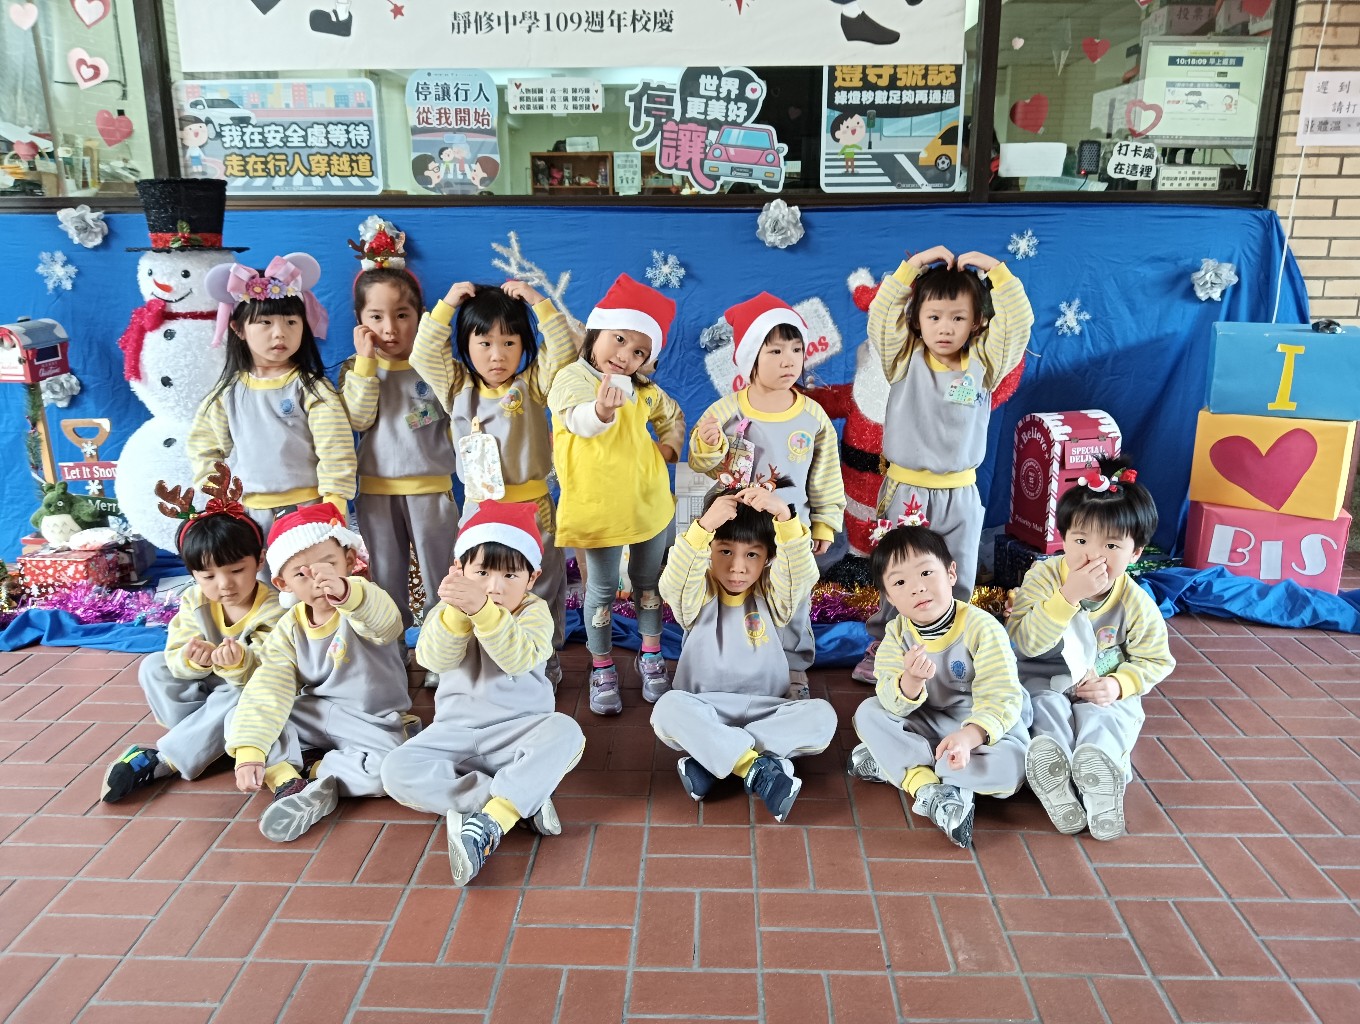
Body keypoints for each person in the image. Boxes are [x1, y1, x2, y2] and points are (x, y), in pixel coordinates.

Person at [852, 245, 1033, 684]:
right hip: (905, 490)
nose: (945, 327)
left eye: (958, 317)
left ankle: (955, 652)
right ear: (917, 320)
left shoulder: (985, 365)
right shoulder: (902, 358)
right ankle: (887, 645)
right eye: (934, 317)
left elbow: (1017, 325)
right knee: (900, 571)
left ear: (977, 323)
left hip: (960, 494)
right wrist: (912, 267)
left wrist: (997, 271)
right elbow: (881, 317)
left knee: (958, 574)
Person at [381, 501, 585, 887]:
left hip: (518, 732)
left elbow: (517, 658)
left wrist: (484, 612)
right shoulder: (448, 610)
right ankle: (516, 799)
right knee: (394, 770)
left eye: (510, 574)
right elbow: (432, 659)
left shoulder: (534, 612)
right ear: (459, 571)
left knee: (567, 732)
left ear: (532, 577)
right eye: (482, 573)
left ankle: (493, 822)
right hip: (454, 732)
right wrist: (458, 613)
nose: (494, 586)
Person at [410, 279, 578, 687]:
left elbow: (563, 351)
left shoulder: (532, 385)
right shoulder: (456, 387)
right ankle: (471, 656)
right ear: (466, 346)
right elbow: (423, 353)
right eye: (484, 343)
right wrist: (448, 303)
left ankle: (544, 658)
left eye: (509, 342)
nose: (497, 355)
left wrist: (538, 302)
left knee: (541, 583)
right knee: (476, 579)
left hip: (532, 506)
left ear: (524, 346)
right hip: (479, 509)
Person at [1008, 457, 1174, 841]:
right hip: (1045, 680)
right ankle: (1055, 778)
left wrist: (1118, 684)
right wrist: (1067, 597)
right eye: (1081, 541)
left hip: (1100, 687)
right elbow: (1024, 641)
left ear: (1136, 553)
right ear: (1064, 538)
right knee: (1042, 710)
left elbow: (1156, 659)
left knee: (1106, 719)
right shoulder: (1044, 577)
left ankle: (1100, 780)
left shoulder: (1134, 602)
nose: (1093, 555)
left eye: (1111, 545)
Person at [688, 293, 845, 699]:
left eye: (796, 350)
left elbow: (825, 475)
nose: (788, 360)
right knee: (737, 595)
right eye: (775, 351)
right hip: (738, 532)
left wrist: (825, 522)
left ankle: (793, 667)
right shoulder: (726, 411)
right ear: (750, 358)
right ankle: (734, 663)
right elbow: (703, 464)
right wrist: (709, 445)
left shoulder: (812, 416)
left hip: (790, 530)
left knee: (792, 597)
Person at [652, 486, 836, 822]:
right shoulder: (696, 593)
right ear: (708, 549)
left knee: (823, 716)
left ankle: (713, 759)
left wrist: (785, 518)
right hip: (705, 708)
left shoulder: (774, 594)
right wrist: (703, 527)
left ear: (768, 558)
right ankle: (755, 767)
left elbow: (802, 576)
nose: (737, 567)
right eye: (725, 551)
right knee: (666, 709)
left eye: (752, 554)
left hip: (768, 710)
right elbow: (672, 584)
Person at [227, 504, 410, 842]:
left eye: (328, 566)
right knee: (244, 719)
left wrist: (347, 593)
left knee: (386, 772)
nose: (318, 580)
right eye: (301, 575)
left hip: (370, 720)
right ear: (283, 583)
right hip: (315, 712)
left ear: (350, 561)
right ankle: (286, 780)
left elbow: (387, 625)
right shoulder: (289, 628)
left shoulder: (364, 601)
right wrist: (251, 751)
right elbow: (270, 686)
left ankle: (315, 771)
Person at [102, 463, 282, 802]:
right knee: (153, 667)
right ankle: (206, 739)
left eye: (236, 570)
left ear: (260, 561)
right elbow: (175, 655)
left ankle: (169, 757)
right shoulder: (195, 601)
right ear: (193, 574)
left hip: (242, 689)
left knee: (241, 692)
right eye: (209, 576)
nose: (225, 584)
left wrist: (240, 664)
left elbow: (274, 674)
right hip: (209, 695)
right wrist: (193, 661)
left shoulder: (273, 608)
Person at [547, 274, 685, 715]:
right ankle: (602, 665)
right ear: (596, 332)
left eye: (639, 351)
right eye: (619, 339)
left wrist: (669, 449)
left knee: (648, 584)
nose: (625, 356)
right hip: (599, 510)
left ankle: (651, 656)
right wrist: (602, 410)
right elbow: (578, 421)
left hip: (649, 506)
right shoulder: (572, 378)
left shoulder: (645, 390)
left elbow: (672, 415)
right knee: (602, 590)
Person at [847, 514, 1028, 848]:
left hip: (978, 729)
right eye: (900, 583)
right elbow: (888, 697)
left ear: (951, 573)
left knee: (1013, 765)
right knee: (868, 713)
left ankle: (900, 763)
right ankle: (930, 789)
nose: (917, 587)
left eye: (926, 573)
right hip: (929, 722)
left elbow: (1002, 694)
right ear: (889, 597)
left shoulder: (981, 626)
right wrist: (910, 681)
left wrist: (968, 737)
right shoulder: (897, 634)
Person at [339, 256, 458, 660]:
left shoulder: (437, 366)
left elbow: (454, 415)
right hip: (375, 490)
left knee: (441, 575)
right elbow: (357, 419)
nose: (390, 328)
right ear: (360, 321)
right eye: (376, 316)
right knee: (386, 576)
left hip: (431, 488)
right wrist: (366, 364)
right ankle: (392, 653)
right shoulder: (356, 369)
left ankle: (441, 650)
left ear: (420, 316)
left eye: (402, 315)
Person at [189, 252, 356, 538]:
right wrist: (219, 500)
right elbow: (204, 448)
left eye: (291, 322)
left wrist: (334, 501)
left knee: (309, 568)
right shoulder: (227, 394)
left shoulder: (312, 389)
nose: (280, 333)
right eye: (265, 322)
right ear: (238, 329)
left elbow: (335, 449)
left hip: (310, 509)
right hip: (248, 514)